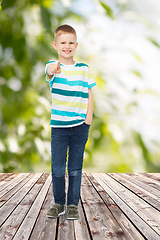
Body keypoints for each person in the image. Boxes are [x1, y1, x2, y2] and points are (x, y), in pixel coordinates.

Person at [45, 24, 96, 220]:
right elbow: (49, 71)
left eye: (71, 42)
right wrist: (53, 68)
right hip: (59, 127)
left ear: (76, 45)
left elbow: (89, 92)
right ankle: (58, 203)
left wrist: (88, 119)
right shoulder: (53, 67)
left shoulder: (84, 69)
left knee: (75, 167)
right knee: (58, 167)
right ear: (56, 45)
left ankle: (73, 204)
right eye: (63, 43)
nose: (67, 46)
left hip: (80, 126)